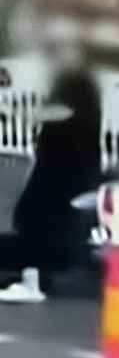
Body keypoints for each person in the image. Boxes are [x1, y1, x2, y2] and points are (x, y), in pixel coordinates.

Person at [0, 60, 103, 303]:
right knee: (35, 221)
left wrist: (12, 112)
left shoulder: (75, 93)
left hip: (63, 174)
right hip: (65, 172)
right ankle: (35, 277)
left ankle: (32, 282)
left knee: (37, 221)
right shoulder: (82, 94)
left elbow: (59, 115)